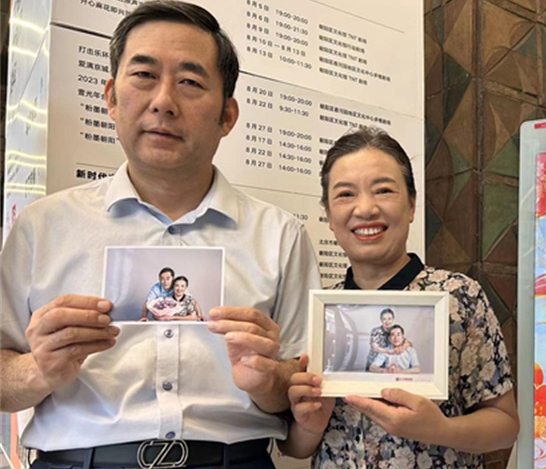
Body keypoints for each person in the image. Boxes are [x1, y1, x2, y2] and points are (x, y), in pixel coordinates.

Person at [0, 2, 320, 468]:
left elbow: (303, 392)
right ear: (111, 97)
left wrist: (271, 381)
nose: (163, 101)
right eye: (144, 75)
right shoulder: (41, 226)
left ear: (227, 116)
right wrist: (38, 369)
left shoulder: (281, 236)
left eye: (190, 82)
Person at [278, 127, 519, 467]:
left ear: (411, 205)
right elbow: (295, 448)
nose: (365, 208)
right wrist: (309, 426)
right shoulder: (321, 311)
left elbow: (505, 426)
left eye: (384, 190)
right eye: (345, 194)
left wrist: (439, 429)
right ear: (329, 216)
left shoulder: (458, 296)